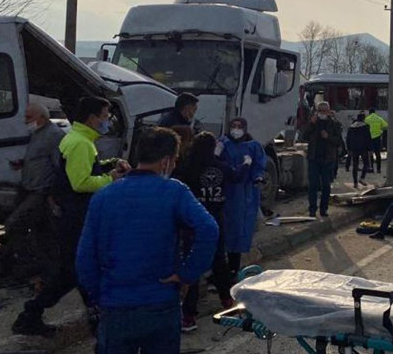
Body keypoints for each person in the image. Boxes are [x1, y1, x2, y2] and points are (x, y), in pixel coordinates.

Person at [76, 127, 218, 354]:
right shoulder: (174, 192)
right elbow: (209, 229)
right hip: (161, 302)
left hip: (115, 306)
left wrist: (101, 294)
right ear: (166, 161)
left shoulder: (103, 196)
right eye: (174, 160)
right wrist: (187, 274)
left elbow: (84, 259)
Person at [13, 97, 130, 337]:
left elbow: (83, 169)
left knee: (75, 271)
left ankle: (34, 315)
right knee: (78, 271)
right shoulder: (81, 143)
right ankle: (35, 314)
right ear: (92, 118)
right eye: (105, 116)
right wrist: (112, 179)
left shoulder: (80, 139)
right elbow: (80, 182)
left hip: (75, 215)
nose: (107, 121)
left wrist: (110, 164)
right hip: (76, 217)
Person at [180, 132, 235, 332]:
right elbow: (235, 175)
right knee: (219, 261)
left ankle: (188, 316)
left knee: (191, 265)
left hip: (192, 221)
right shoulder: (220, 166)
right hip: (215, 221)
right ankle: (227, 300)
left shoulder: (187, 168)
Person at [5, 103, 65, 280]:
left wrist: (53, 194)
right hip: (29, 187)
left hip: (41, 191)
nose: (25, 121)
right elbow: (39, 159)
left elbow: (58, 166)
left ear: (42, 118)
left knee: (14, 224)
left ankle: (28, 264)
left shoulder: (54, 136)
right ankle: (47, 268)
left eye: (29, 118)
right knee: (42, 231)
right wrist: (23, 164)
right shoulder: (37, 133)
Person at [218, 118, 267, 278]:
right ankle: (221, 270)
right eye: (233, 126)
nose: (236, 130)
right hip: (225, 191)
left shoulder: (252, 146)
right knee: (222, 229)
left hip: (243, 194)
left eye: (240, 127)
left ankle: (233, 269)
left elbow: (259, 166)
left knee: (239, 230)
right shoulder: (223, 143)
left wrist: (258, 177)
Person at [301, 102, 341, 217]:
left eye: (324, 111)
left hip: (328, 159)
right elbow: (304, 137)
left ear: (328, 111)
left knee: (326, 185)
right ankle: (312, 209)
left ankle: (324, 209)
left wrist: (328, 137)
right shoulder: (313, 123)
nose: (322, 113)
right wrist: (311, 124)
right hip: (314, 158)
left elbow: (338, 142)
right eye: (320, 111)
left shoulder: (334, 124)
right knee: (313, 185)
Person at [346, 112, 372, 188]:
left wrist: (349, 148)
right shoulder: (366, 127)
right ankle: (362, 178)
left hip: (354, 148)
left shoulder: (351, 127)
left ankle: (355, 182)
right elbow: (368, 138)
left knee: (355, 165)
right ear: (363, 118)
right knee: (366, 164)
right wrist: (370, 148)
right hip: (363, 148)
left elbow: (348, 138)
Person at [364, 108, 387, 174]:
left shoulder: (367, 119)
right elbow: (385, 126)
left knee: (370, 154)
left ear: (369, 112)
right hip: (377, 138)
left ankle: (371, 168)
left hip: (369, 138)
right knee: (377, 154)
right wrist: (380, 130)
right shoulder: (379, 118)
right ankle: (378, 169)